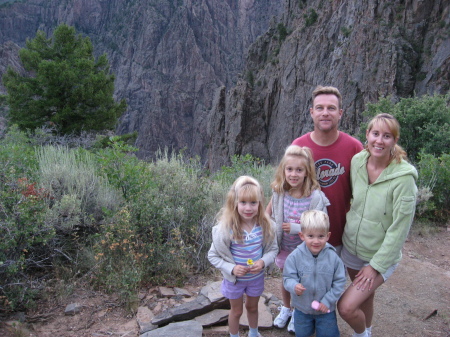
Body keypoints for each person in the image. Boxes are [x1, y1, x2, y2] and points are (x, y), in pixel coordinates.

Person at [337, 113, 418, 337]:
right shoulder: (357, 162)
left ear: (395, 140)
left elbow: (400, 229)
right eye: (375, 134)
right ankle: (367, 331)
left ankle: (361, 334)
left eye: (387, 136)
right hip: (352, 247)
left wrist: (375, 266)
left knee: (346, 307)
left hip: (379, 255)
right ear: (367, 135)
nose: (379, 141)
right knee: (366, 296)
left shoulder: (403, 178)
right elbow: (354, 200)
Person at [266, 145, 330, 333]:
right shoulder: (279, 193)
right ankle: (286, 308)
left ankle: (298, 312)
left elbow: (322, 223)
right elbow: (267, 214)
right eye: (289, 169)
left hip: (305, 252)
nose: (293, 174)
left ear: (306, 172)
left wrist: (297, 228)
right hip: (285, 248)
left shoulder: (315, 197)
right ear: (283, 171)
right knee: (287, 280)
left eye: (299, 170)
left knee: (303, 284)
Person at [292, 85, 363, 252]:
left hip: (341, 238)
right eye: (320, 108)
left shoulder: (354, 148)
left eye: (331, 108)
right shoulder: (298, 146)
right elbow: (282, 188)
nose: (325, 113)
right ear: (311, 112)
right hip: (304, 239)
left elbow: (366, 191)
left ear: (340, 113)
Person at [208, 175, 278, 337]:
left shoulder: (265, 226)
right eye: (243, 202)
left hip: (256, 278)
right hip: (235, 281)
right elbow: (213, 255)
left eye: (253, 203)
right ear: (234, 203)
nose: (248, 208)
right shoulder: (226, 228)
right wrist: (231, 268)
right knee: (236, 311)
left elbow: (273, 250)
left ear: (260, 203)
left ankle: (254, 332)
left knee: (253, 307)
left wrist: (262, 262)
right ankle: (234, 335)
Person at [283, 210, 346, 337]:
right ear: (302, 235)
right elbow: (287, 278)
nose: (316, 241)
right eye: (310, 236)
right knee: (302, 334)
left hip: (325, 310)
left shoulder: (333, 258)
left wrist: (327, 300)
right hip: (302, 309)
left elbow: (339, 282)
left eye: (321, 236)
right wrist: (294, 286)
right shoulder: (294, 257)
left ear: (328, 236)